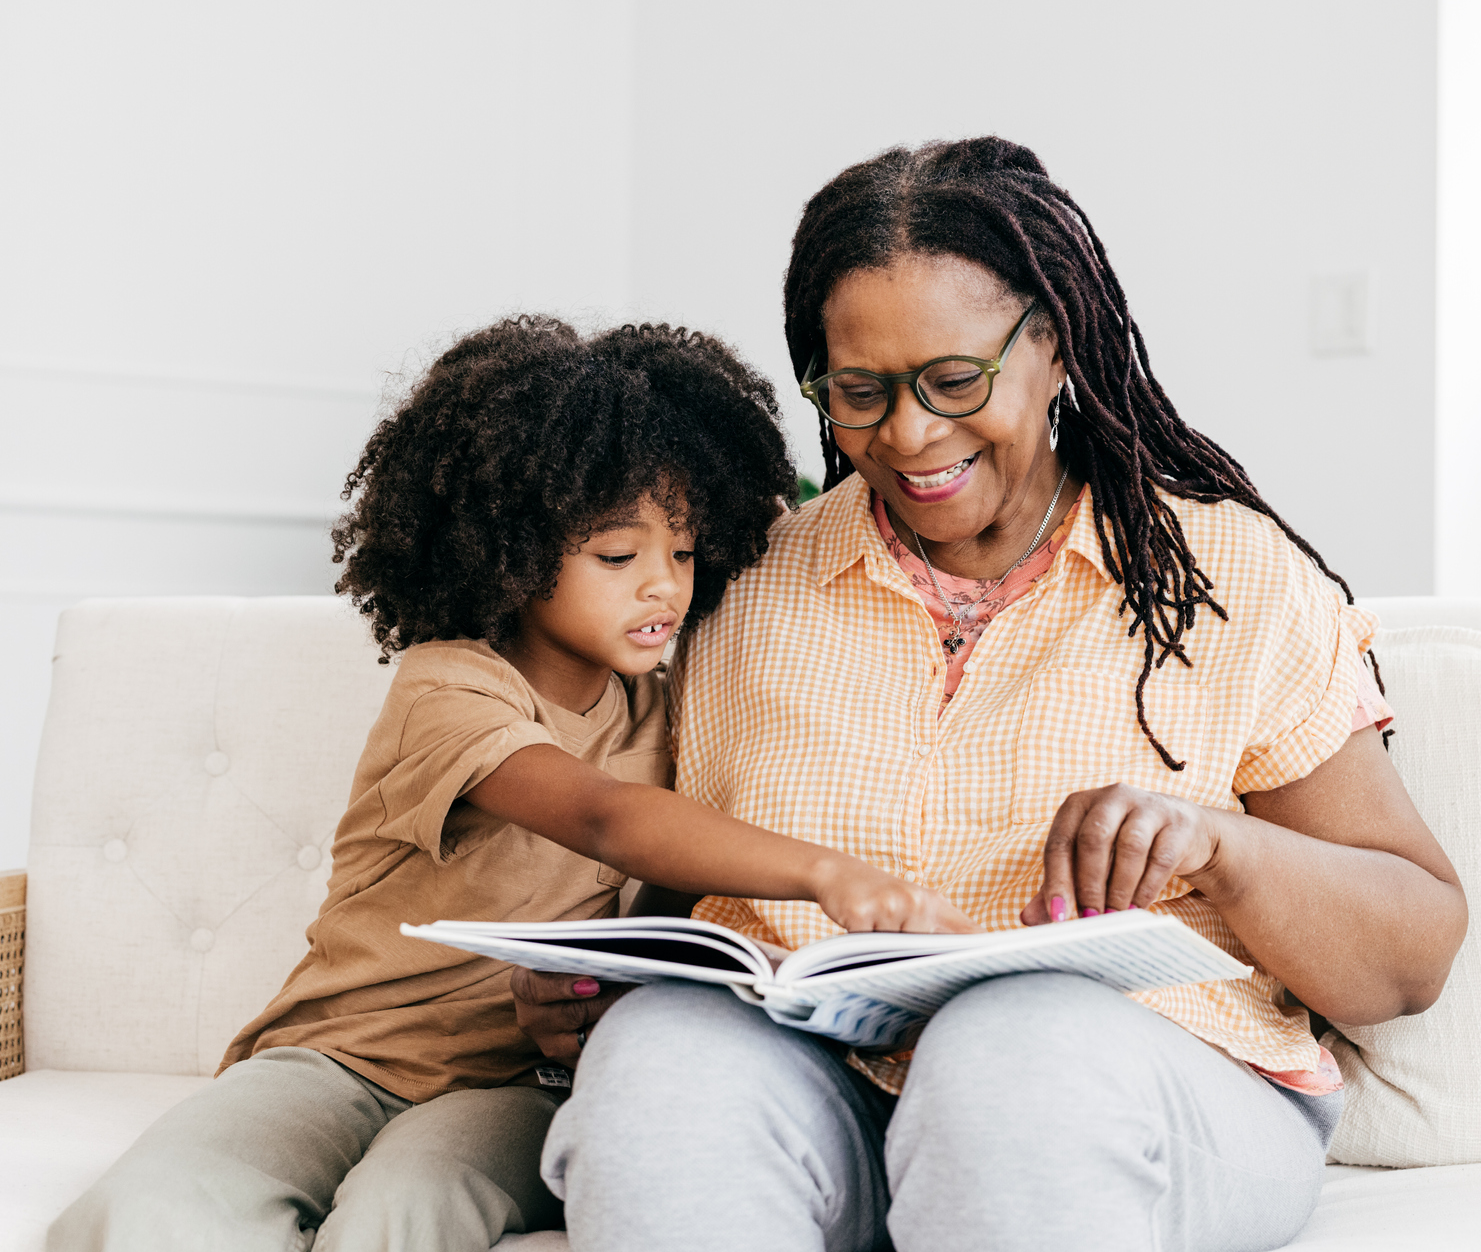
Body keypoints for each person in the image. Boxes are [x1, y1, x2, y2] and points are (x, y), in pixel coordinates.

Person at [524, 138, 1470, 1252]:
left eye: (953, 381)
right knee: (658, 1062)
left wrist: (1216, 845)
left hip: (1136, 1079)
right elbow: (650, 850)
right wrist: (576, 998)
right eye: (859, 394)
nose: (911, 436)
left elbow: (1412, 953)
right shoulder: (737, 578)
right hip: (819, 1083)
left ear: (1054, 343)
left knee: (1007, 1052)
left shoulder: (1224, 577)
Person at [50, 318, 971, 1252]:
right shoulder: (447, 688)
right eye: (619, 557)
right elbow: (602, 817)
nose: (664, 587)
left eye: (685, 552)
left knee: (402, 1219)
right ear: (513, 551)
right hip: (336, 1058)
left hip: (515, 1088)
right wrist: (827, 875)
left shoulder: (677, 705)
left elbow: (657, 894)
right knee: (152, 1211)